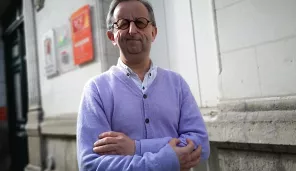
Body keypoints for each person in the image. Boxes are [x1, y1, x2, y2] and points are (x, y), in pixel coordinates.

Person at [76, 0, 210, 170]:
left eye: (140, 22)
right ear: (112, 36)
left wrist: (135, 147)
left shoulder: (177, 84)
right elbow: (91, 165)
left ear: (153, 33)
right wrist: (166, 160)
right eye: (123, 24)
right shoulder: (96, 90)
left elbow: (202, 146)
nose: (132, 30)